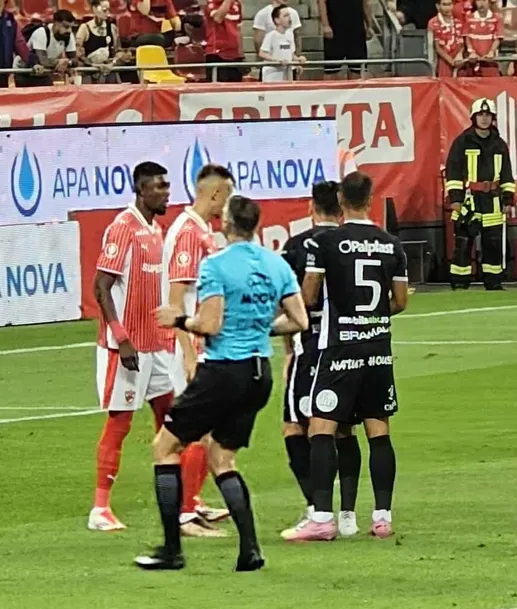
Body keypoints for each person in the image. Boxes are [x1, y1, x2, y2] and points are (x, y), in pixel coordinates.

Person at [137, 196, 309, 571]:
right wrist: (260, 328)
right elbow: (299, 320)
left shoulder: (215, 265)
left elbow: (210, 325)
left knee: (165, 447)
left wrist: (177, 320)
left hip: (223, 370)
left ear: (226, 223)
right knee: (222, 457)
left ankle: (171, 550)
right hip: (258, 372)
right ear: (256, 225)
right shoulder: (276, 263)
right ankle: (250, 550)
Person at [289, 172, 409, 541]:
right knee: (378, 429)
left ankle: (323, 518)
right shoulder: (392, 245)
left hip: (338, 348)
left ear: (341, 201)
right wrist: (371, 318)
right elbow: (400, 301)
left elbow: (309, 297)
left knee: (322, 426)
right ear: (371, 200)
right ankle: (382, 518)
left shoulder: (325, 243)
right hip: (378, 348)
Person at [89, 162, 184, 532]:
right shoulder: (123, 228)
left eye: (167, 185)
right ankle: (100, 509)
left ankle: (180, 503)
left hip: (155, 346)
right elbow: (100, 286)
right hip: (126, 347)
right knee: (120, 422)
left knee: (171, 416)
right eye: (159, 187)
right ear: (141, 190)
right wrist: (121, 337)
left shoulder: (156, 230)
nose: (166, 192)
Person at [279, 181, 365, 541]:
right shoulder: (355, 243)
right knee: (344, 428)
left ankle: (317, 510)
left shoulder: (299, 245)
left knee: (296, 427)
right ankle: (347, 514)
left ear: (311, 208)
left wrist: (289, 348)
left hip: (312, 345)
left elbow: (291, 301)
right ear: (341, 209)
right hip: (352, 344)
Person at [161, 163, 236, 538]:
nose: (228, 204)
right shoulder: (189, 233)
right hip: (188, 345)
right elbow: (175, 300)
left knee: (206, 428)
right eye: (228, 195)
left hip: (201, 342)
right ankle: (185, 513)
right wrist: (188, 353)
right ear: (216, 193)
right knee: (196, 429)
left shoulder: (200, 229)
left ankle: (192, 502)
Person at [444, 98, 516, 290]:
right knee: (463, 242)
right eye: (481, 115)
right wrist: (456, 199)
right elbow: (453, 172)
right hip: (469, 199)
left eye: (488, 115)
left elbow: (507, 174)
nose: (484, 119)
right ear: (473, 118)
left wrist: (508, 198)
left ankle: (493, 281)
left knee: (493, 243)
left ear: (493, 118)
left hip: (492, 200)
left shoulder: (499, 144)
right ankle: (460, 282)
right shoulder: (462, 142)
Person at [76, 0, 128, 84]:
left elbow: (118, 51)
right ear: (94, 9)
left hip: (109, 71)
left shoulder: (112, 28)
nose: (107, 13)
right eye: (104, 10)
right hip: (90, 71)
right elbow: (78, 54)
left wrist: (113, 63)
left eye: (108, 10)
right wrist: (94, 65)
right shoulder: (84, 28)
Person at [23, 10, 77, 87]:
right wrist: (60, 62)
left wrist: (67, 62)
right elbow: (43, 61)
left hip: (43, 73)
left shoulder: (69, 35)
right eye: (66, 27)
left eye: (71, 27)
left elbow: (75, 60)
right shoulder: (41, 33)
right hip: (24, 71)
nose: (69, 30)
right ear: (56, 23)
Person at [259, 4, 304, 82]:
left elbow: (290, 53)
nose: (289, 18)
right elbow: (262, 53)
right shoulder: (271, 36)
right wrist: (277, 61)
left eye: (289, 15)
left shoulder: (290, 35)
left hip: (287, 74)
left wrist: (298, 59)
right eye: (285, 16)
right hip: (272, 76)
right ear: (277, 20)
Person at [205, 0, 245, 82]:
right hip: (217, 54)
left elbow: (238, 29)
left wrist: (241, 55)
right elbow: (218, 18)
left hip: (234, 56)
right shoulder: (212, 2)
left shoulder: (236, 4)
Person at [428, 0, 467, 77]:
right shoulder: (433, 22)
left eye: (449, 4)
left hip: (459, 62)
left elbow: (463, 43)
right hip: (442, 62)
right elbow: (436, 47)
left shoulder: (459, 22)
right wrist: (451, 61)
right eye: (444, 4)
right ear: (438, 6)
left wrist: (460, 55)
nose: (447, 8)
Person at [464, 0, 501, 76]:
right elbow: (467, 37)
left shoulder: (497, 18)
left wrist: (491, 51)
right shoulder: (468, 17)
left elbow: (498, 38)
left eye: (484, 0)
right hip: (472, 60)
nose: (481, 3)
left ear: (489, 2)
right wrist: (471, 52)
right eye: (478, 0)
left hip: (490, 61)